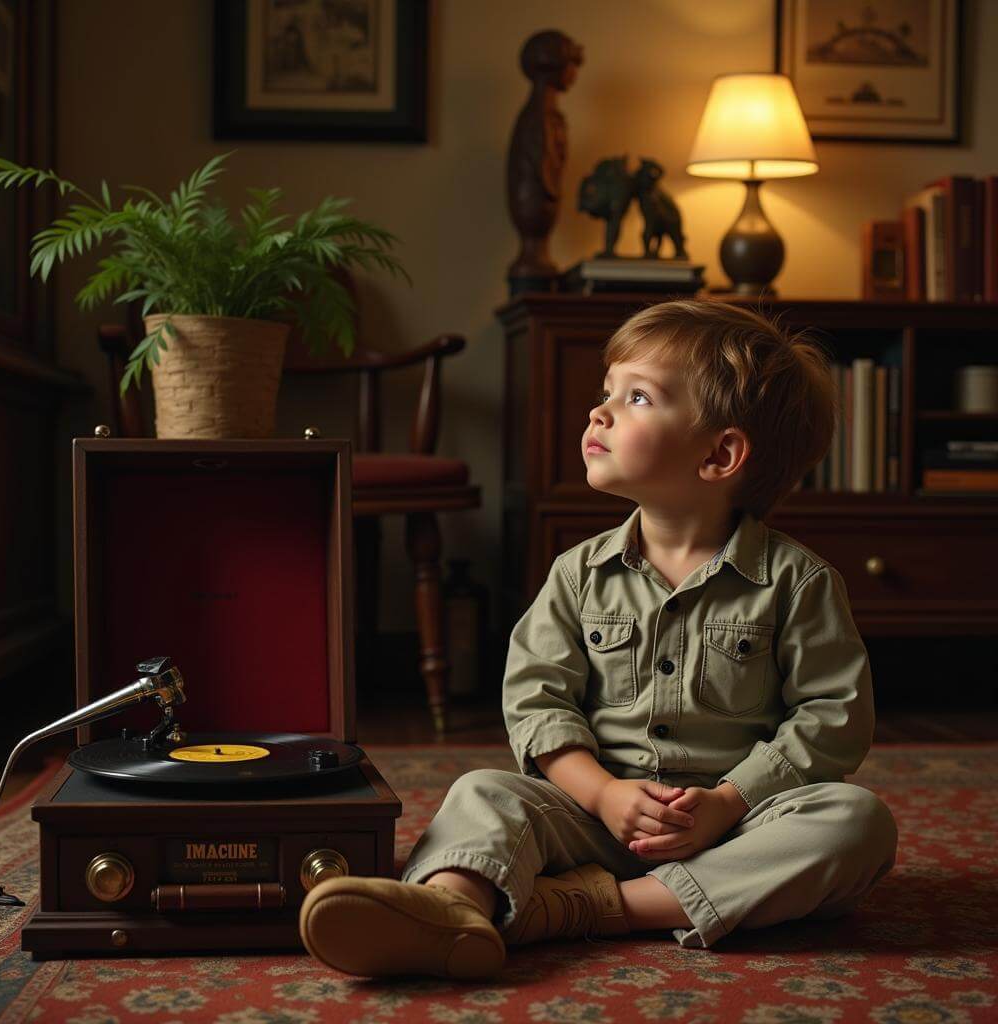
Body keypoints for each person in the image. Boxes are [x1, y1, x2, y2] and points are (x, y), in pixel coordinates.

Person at [299, 299, 899, 980]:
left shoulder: (799, 582)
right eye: (605, 393)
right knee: (483, 792)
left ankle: (583, 908)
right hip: (592, 817)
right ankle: (447, 908)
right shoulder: (577, 574)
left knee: (858, 824)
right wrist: (604, 794)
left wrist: (727, 803)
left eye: (637, 397)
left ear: (721, 454)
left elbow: (834, 717)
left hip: (736, 832)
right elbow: (537, 701)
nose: (600, 413)